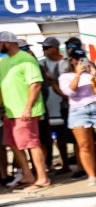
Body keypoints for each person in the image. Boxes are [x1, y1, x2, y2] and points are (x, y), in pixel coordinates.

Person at [0, 30, 49, 191]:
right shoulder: (4, 62)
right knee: (13, 144)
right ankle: (28, 174)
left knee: (32, 144)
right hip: (10, 112)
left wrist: (27, 108)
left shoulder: (26, 59)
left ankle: (43, 178)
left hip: (25, 111)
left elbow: (35, 85)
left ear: (6, 43)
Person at [59, 51, 96, 185]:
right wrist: (78, 74)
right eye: (78, 59)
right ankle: (91, 175)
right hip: (78, 111)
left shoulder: (93, 73)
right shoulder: (65, 76)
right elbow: (70, 92)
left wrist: (95, 76)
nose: (81, 62)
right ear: (72, 61)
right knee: (85, 146)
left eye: (83, 58)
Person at [38, 36, 73, 173]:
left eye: (46, 47)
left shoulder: (66, 62)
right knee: (48, 139)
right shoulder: (41, 64)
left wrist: (53, 79)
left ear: (55, 48)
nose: (44, 50)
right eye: (43, 48)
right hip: (48, 106)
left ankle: (66, 164)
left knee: (64, 137)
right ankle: (50, 164)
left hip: (64, 105)